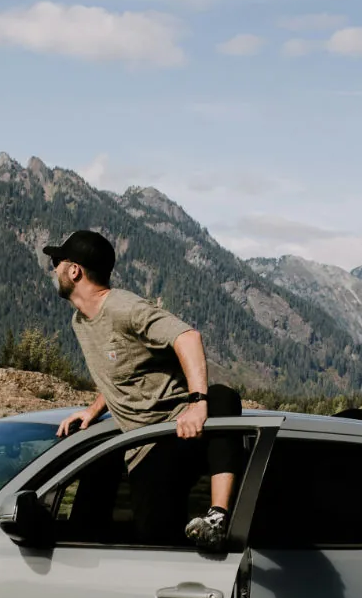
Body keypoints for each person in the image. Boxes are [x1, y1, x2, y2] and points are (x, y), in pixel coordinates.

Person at [45, 229, 243, 551]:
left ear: (74, 270)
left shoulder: (123, 308)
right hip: (142, 450)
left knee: (221, 397)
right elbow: (120, 372)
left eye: (57, 262)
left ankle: (217, 516)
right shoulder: (80, 322)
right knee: (156, 540)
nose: (53, 270)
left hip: (178, 427)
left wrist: (197, 403)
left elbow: (188, 337)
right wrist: (93, 410)